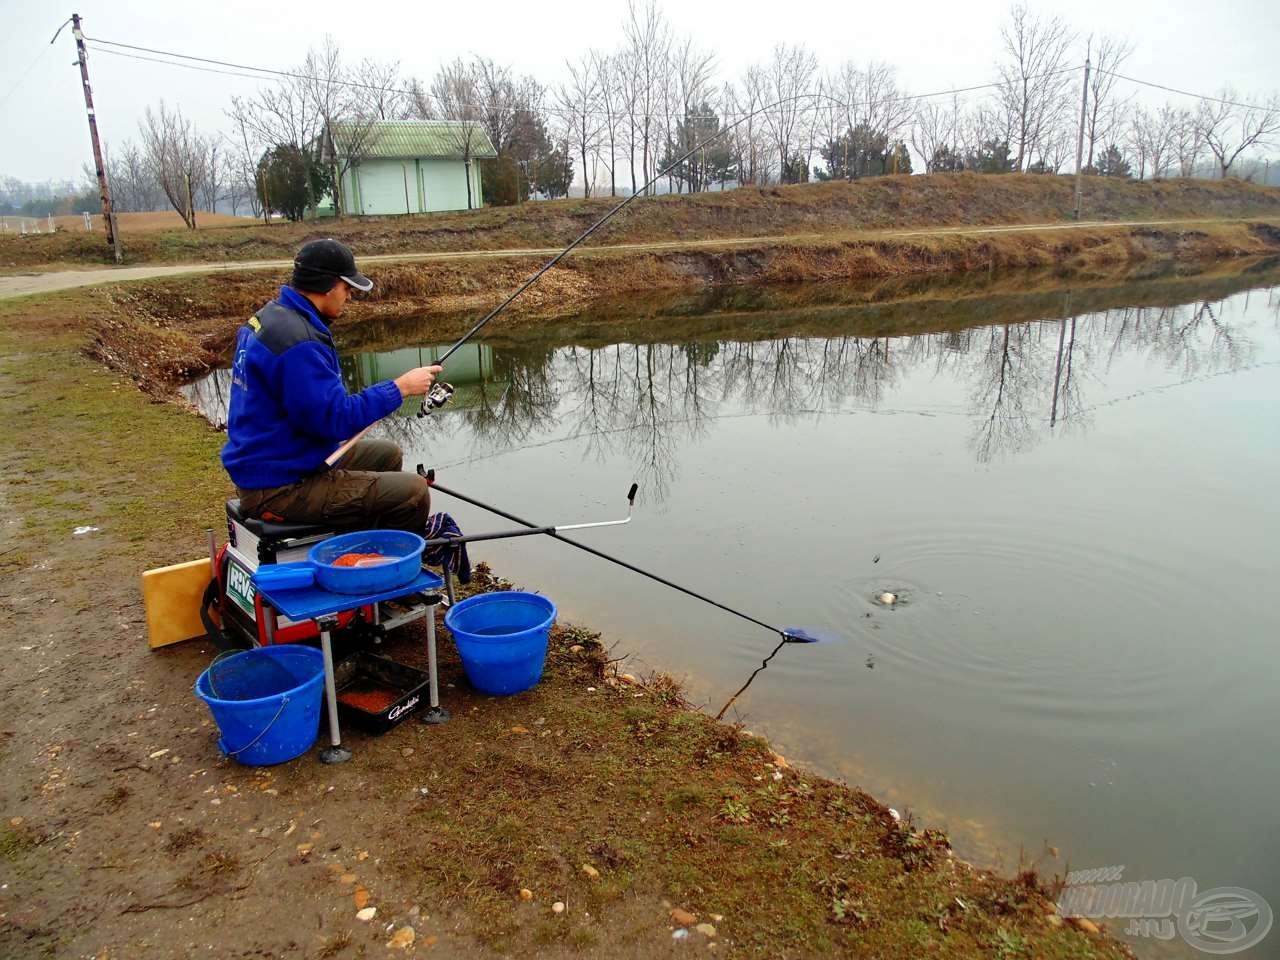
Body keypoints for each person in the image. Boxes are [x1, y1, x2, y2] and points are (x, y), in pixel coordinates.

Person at [221, 238, 441, 533]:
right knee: (413, 491)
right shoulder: (300, 342)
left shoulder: (273, 317)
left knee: (388, 454)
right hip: (278, 488)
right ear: (327, 285)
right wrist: (400, 387)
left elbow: (314, 413)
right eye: (347, 288)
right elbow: (336, 421)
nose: (349, 297)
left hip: (281, 459)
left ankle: (360, 538)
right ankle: (385, 566)